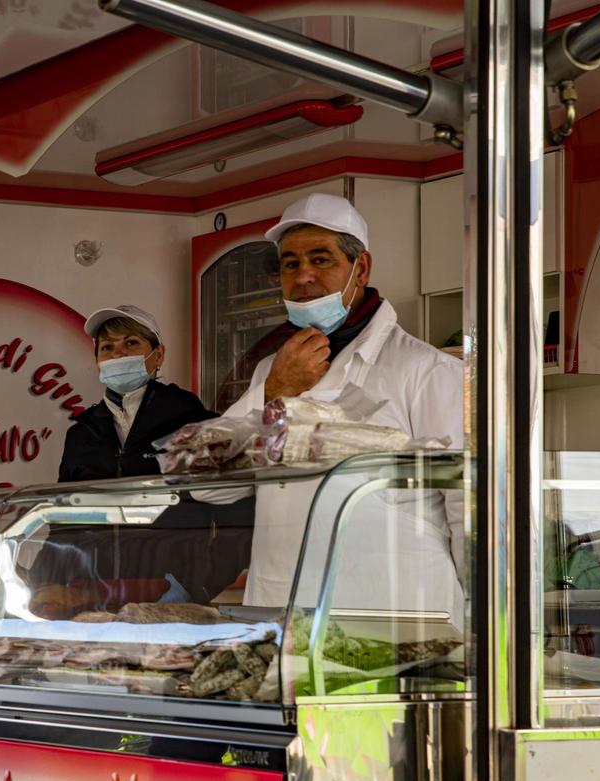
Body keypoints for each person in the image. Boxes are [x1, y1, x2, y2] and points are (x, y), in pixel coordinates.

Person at [219, 193, 465, 615]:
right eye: (290, 264)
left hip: (394, 614)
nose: (304, 277)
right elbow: (214, 489)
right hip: (282, 607)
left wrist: (487, 628)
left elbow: (469, 509)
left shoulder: (427, 370)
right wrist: (276, 392)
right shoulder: (269, 373)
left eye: (321, 259)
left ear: (361, 268)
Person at [57, 304, 214, 482]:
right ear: (97, 361)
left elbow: (208, 488)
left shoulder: (186, 413)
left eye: (131, 343)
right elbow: (65, 500)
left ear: (159, 355)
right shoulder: (80, 433)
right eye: (107, 347)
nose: (117, 354)